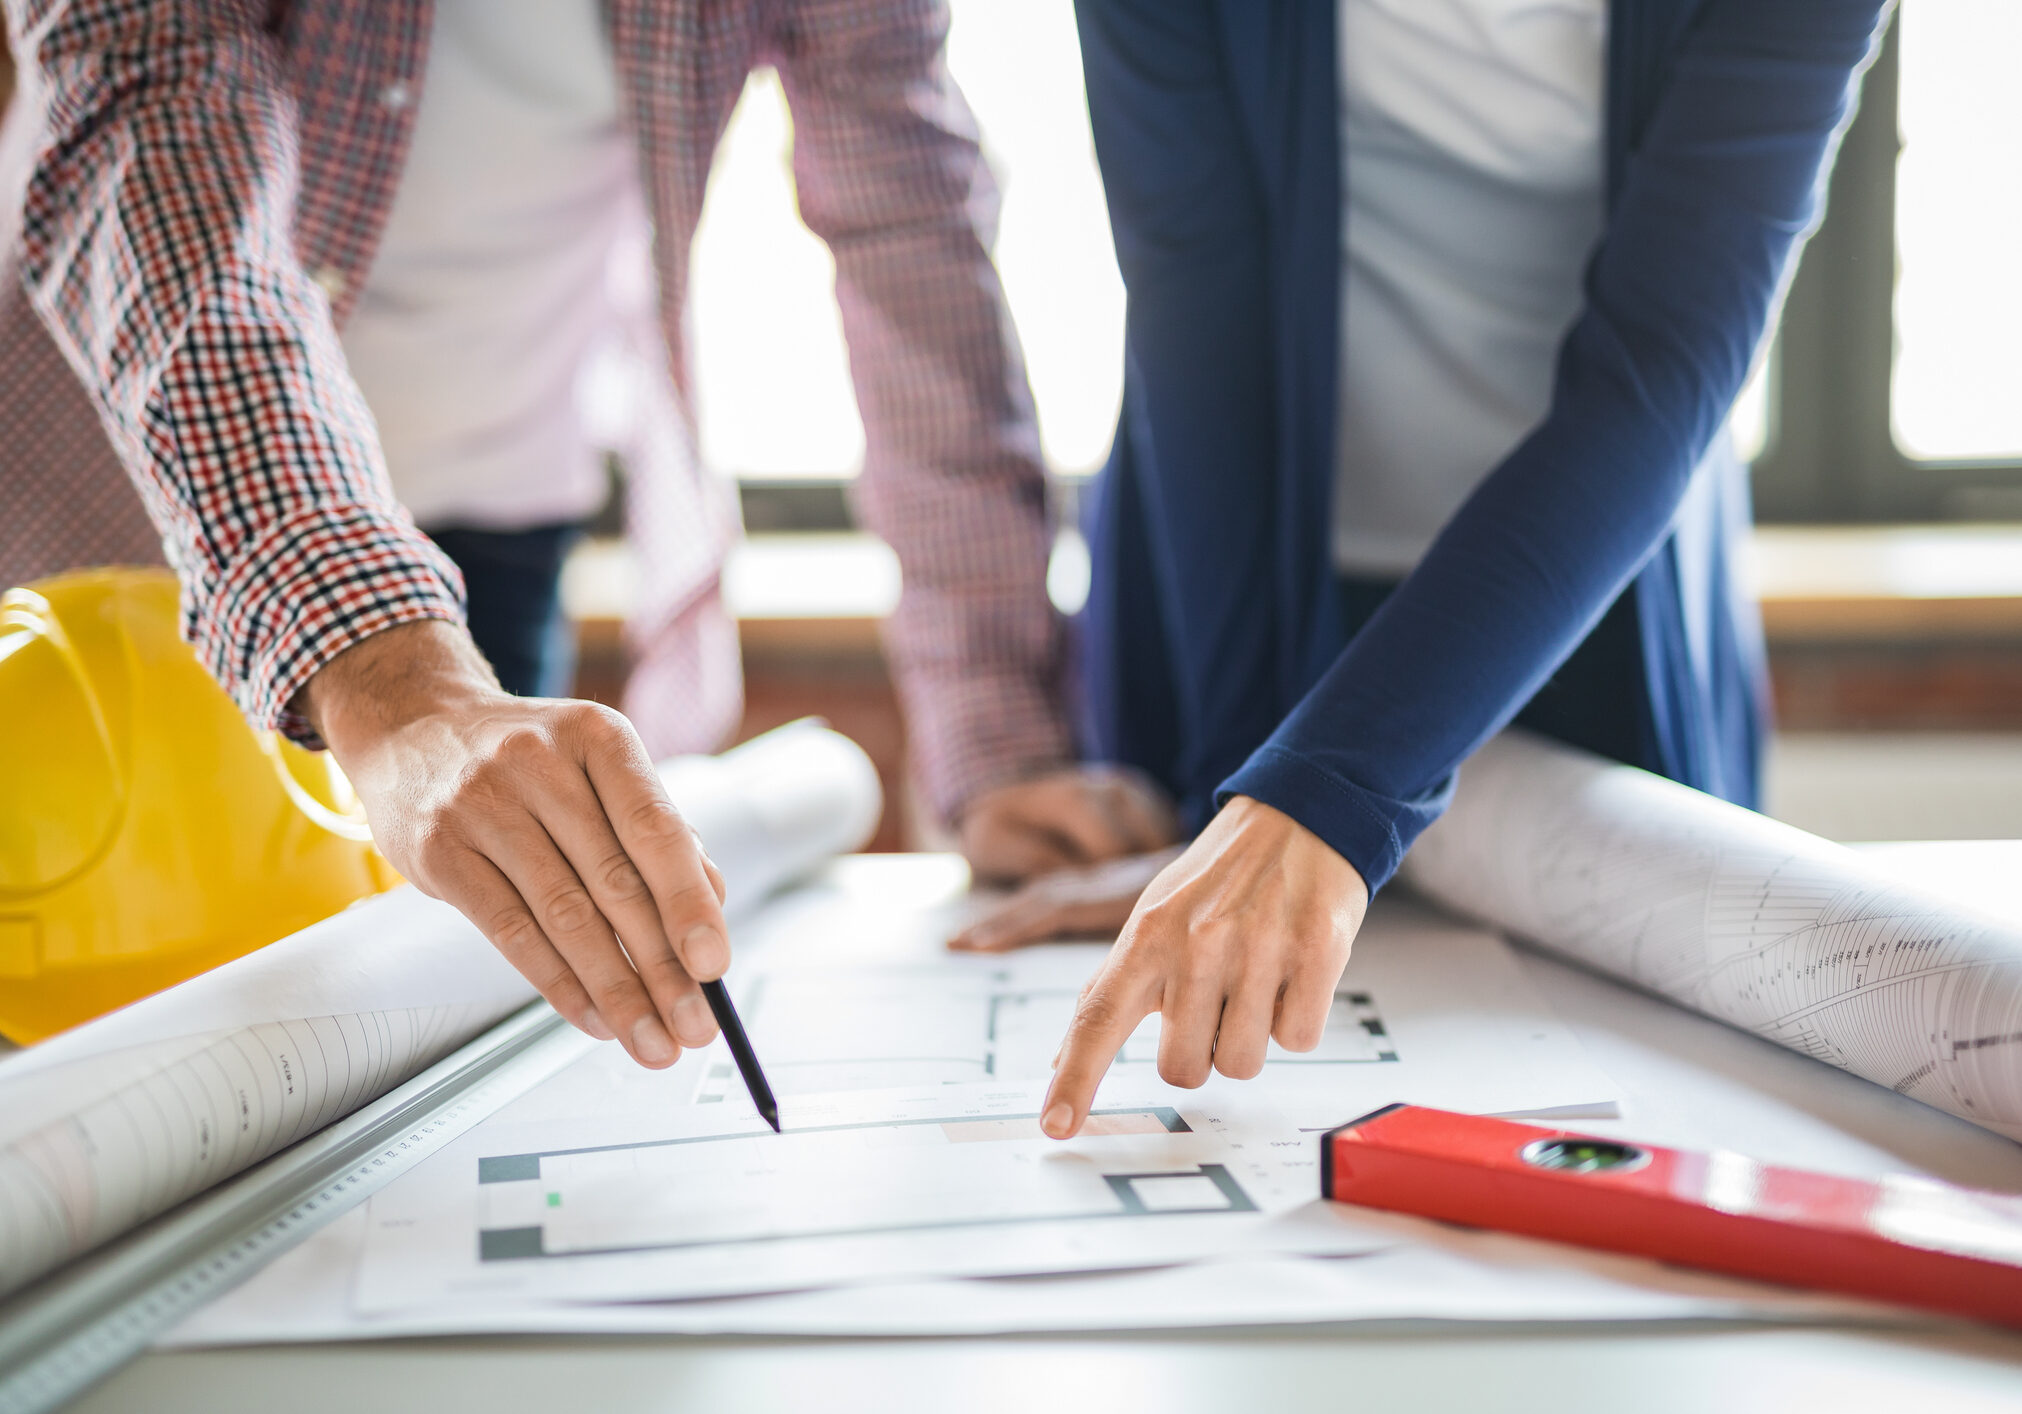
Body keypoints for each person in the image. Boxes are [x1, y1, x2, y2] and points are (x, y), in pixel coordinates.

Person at [0, 0, 1171, 1070]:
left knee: (415, 1064)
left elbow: (910, 235)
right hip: (114, 524)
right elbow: (140, 120)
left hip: (495, 542)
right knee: (95, 1053)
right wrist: (393, 674)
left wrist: (1006, 750)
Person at [945, 0, 1895, 1141]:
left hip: (1590, 587)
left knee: (1634, 1122)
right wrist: (1237, 796)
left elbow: (1658, 376)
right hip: (1239, 589)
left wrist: (1328, 791)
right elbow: (1201, 302)